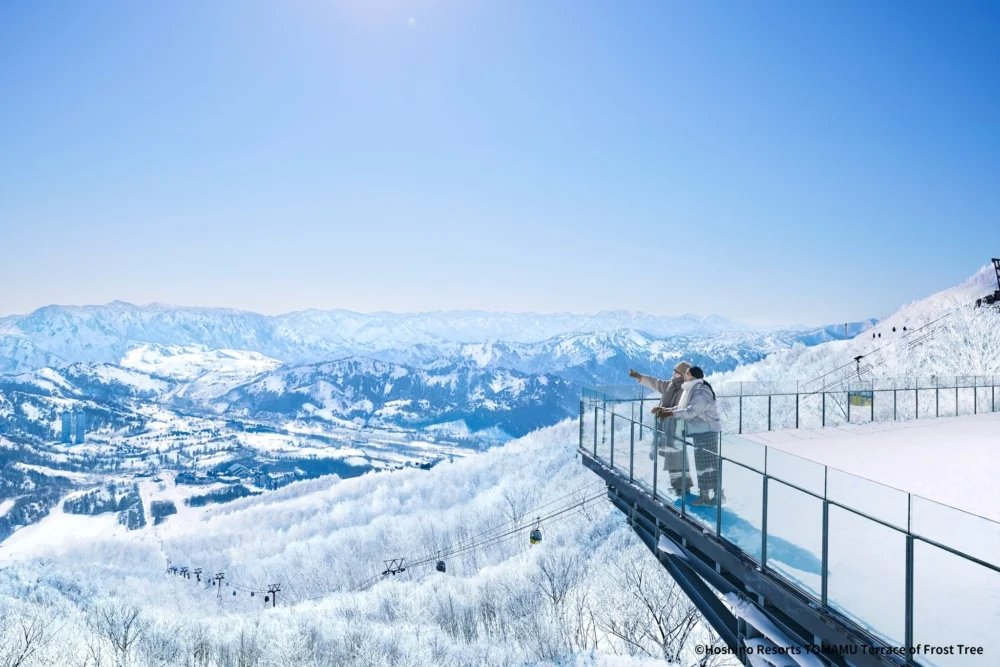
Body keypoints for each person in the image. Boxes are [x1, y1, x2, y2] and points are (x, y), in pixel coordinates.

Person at [657, 366, 722, 507]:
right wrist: (665, 410)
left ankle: (717, 496)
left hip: (708, 431)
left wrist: (669, 414)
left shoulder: (701, 392)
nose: (684, 375)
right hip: (700, 431)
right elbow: (682, 407)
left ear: (692, 376)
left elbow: (691, 411)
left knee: (709, 464)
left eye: (687, 373)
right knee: (702, 464)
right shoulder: (692, 389)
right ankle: (705, 495)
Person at [628, 362, 692, 494]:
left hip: (676, 428)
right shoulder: (670, 385)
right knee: (671, 456)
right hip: (665, 426)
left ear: (682, 374)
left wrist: (664, 410)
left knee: (677, 457)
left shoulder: (685, 389)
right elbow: (655, 382)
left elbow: (681, 409)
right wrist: (639, 377)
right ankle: (677, 486)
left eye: (676, 371)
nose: (673, 373)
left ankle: (683, 487)